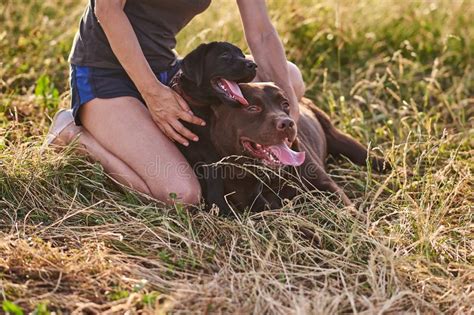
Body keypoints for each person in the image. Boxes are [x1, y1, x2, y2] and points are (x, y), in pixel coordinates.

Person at [45, 0, 306, 205]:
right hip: (105, 73)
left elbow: (260, 33)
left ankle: (137, 129)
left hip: (164, 68)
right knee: (181, 195)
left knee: (291, 78)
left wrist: (289, 106)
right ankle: (71, 134)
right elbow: (107, 9)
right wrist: (153, 94)